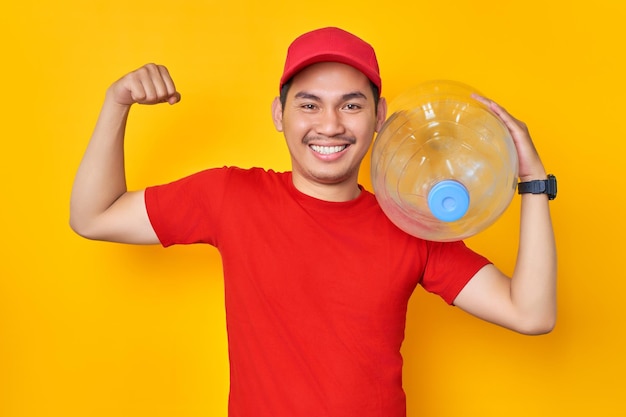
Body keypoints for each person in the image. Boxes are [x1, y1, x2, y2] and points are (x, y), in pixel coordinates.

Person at [70, 27, 556, 417]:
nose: (330, 125)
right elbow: (95, 216)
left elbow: (531, 313)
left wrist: (533, 181)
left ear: (380, 116)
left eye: (351, 104)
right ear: (279, 115)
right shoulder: (230, 197)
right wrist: (117, 104)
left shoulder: (409, 222)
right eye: (308, 104)